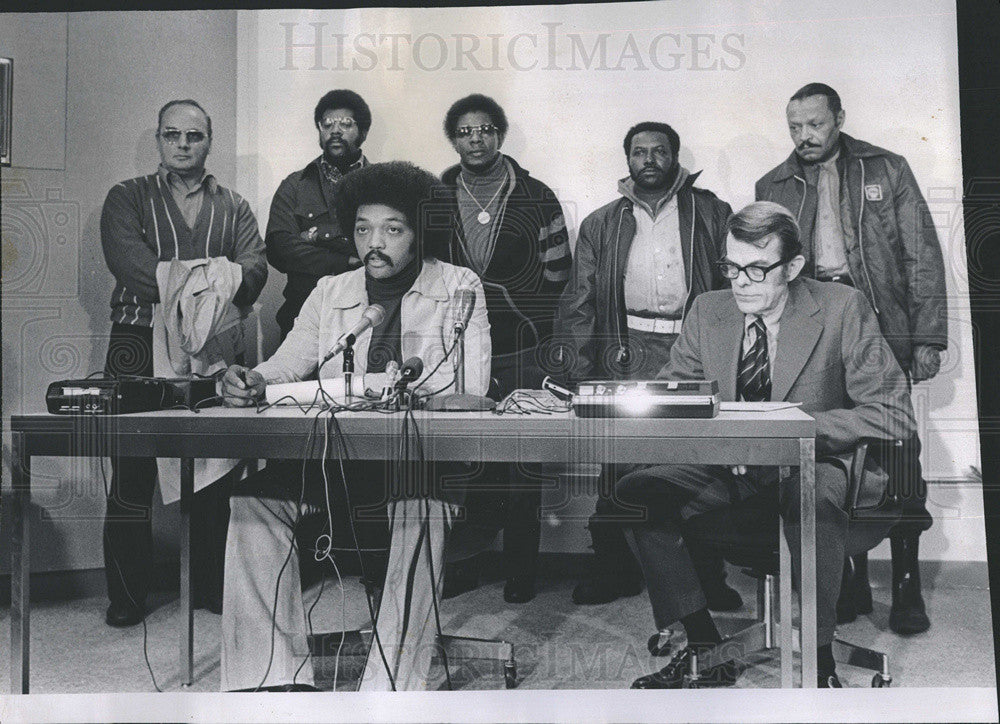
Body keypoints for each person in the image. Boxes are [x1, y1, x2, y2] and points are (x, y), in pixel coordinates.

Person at [218, 161, 491, 692]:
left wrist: (417, 393)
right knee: (251, 502)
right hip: (334, 463)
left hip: (418, 464)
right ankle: (269, 682)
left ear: (419, 233)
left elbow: (473, 387)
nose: (375, 242)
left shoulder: (459, 286)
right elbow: (288, 363)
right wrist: (252, 379)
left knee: (422, 510)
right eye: (363, 228)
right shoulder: (331, 290)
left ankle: (389, 689)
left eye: (393, 229)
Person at [621, 201, 915, 689]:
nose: (740, 281)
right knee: (636, 494)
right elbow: (677, 402)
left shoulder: (842, 308)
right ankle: (705, 649)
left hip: (813, 464)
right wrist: (719, 441)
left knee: (810, 498)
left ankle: (820, 662)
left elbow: (893, 413)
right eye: (731, 267)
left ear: (793, 267)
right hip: (727, 470)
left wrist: (789, 430)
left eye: (757, 269)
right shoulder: (707, 311)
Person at [756, 83, 948, 634]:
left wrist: (926, 337)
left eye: (814, 124)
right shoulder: (772, 185)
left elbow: (921, 254)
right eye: (794, 126)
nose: (804, 136)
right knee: (833, 449)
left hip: (881, 327)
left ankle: (908, 584)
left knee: (898, 451)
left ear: (839, 117)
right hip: (815, 332)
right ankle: (849, 577)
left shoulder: (886, 170)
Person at [98, 99, 267, 627]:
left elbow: (255, 269)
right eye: (172, 135)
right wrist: (213, 281)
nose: (183, 144)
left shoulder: (234, 206)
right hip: (136, 341)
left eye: (194, 135)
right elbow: (131, 267)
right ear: (158, 139)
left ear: (209, 141)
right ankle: (127, 595)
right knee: (131, 469)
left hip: (215, 348)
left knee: (215, 468)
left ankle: (212, 587)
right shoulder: (127, 197)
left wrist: (191, 288)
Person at [557, 121, 736, 608]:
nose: (649, 160)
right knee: (618, 463)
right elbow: (581, 301)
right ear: (628, 160)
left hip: (691, 348)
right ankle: (614, 569)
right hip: (627, 350)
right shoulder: (602, 222)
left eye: (659, 151)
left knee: (698, 462)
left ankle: (707, 578)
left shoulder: (712, 213)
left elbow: (732, 286)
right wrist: (578, 367)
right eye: (639, 152)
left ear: (675, 157)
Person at [434, 94, 571, 604]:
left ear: (501, 134)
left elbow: (559, 274)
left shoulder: (536, 195)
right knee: (468, 461)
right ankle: (469, 564)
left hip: (521, 346)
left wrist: (511, 304)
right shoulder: (437, 193)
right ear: (454, 138)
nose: (476, 140)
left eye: (486, 130)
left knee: (523, 461)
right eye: (466, 131)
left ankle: (521, 570)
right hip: (459, 350)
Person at [266, 89, 373, 340]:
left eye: (346, 124)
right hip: (301, 315)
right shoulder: (294, 185)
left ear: (364, 133)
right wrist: (346, 261)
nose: (335, 131)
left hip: (365, 315)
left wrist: (316, 236)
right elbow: (279, 249)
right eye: (327, 124)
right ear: (319, 132)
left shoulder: (381, 184)